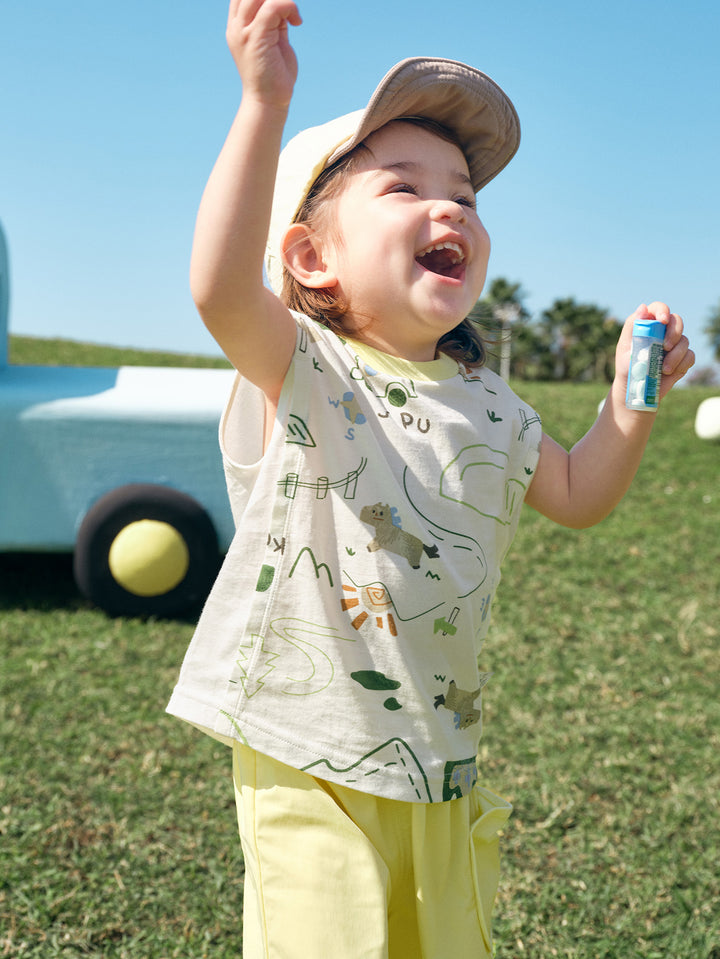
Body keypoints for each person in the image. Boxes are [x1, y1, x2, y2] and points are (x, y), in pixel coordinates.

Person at [167, 1, 695, 956]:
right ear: (311, 254)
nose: (449, 206)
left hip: (439, 750)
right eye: (402, 187)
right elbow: (217, 287)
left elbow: (579, 495)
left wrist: (630, 399)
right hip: (308, 748)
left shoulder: (492, 403)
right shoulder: (304, 369)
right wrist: (262, 103)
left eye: (466, 194)